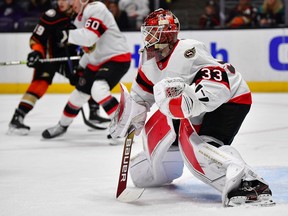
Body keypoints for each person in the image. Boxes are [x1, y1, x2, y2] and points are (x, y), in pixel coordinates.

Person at [109, 9, 275, 207]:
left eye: (154, 31)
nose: (148, 36)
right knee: (146, 167)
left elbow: (219, 83)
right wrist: (129, 117)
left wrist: (189, 102)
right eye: (147, 31)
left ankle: (248, 182)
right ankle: (156, 168)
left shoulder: (189, 50)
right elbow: (140, 96)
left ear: (168, 33)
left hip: (230, 99)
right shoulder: (148, 61)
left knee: (200, 146)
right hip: (191, 106)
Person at [8, 0, 109, 135]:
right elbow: (36, 39)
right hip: (49, 57)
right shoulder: (51, 15)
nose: (60, 2)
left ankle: (94, 112)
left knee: (85, 77)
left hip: (69, 58)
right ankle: (17, 118)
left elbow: (89, 39)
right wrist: (36, 52)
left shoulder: (81, 15)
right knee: (40, 83)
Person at [42, 0, 131, 144]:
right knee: (77, 96)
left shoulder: (96, 8)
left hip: (117, 58)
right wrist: (80, 67)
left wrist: (67, 35)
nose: (71, 4)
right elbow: (89, 49)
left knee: (99, 90)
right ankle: (62, 126)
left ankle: (123, 127)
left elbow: (89, 38)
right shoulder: (79, 18)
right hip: (96, 62)